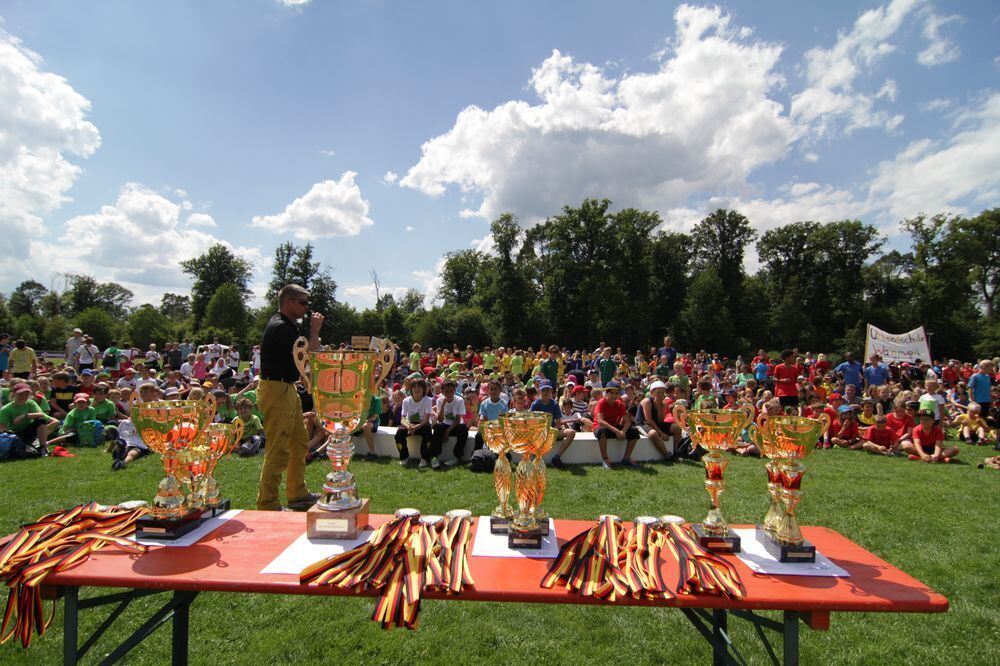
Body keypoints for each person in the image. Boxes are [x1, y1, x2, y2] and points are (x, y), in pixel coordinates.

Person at [255, 283, 323, 511]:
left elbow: (298, 363)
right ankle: (268, 503)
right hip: (276, 390)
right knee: (278, 449)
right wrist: (315, 331)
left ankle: (297, 492)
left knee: (299, 441)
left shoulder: (287, 326)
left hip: (286, 389)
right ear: (288, 302)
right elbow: (309, 357)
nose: (306, 308)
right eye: (302, 302)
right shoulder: (281, 328)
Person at [593, 381, 641, 469]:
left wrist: (623, 432)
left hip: (614, 428)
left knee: (634, 431)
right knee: (601, 431)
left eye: (616, 393)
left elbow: (628, 421)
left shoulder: (619, 404)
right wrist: (617, 431)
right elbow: (600, 421)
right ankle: (605, 459)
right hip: (602, 427)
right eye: (611, 393)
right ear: (606, 393)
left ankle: (626, 458)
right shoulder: (601, 402)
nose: (614, 396)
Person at [0, 383, 58, 454]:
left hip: (29, 432)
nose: (24, 396)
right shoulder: (5, 409)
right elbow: (3, 428)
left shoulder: (30, 403)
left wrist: (23, 416)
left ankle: (43, 448)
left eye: (26, 394)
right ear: (14, 393)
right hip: (14, 435)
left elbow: (41, 414)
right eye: (21, 394)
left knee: (41, 420)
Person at [531, 381, 576, 465]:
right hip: (538, 432)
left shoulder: (554, 404)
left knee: (571, 432)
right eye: (544, 390)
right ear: (539, 391)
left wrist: (552, 432)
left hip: (552, 431)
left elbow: (558, 421)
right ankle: (535, 456)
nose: (546, 392)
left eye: (548, 390)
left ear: (551, 391)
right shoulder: (535, 404)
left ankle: (556, 458)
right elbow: (530, 421)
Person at [635, 380, 679, 461]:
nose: (661, 395)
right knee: (653, 434)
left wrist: (660, 406)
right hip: (642, 424)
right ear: (652, 393)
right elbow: (648, 420)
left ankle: (675, 450)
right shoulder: (647, 401)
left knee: (676, 428)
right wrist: (661, 433)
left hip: (654, 423)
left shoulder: (662, 403)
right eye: (658, 392)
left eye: (662, 392)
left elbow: (660, 420)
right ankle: (667, 455)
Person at [395, 378, 434, 467]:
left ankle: (424, 458)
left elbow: (426, 420)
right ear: (411, 389)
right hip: (410, 423)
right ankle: (404, 456)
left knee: (427, 432)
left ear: (423, 389)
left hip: (423, 424)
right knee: (399, 433)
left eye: (419, 387)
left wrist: (416, 427)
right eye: (414, 387)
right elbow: (403, 419)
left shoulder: (428, 400)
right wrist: (409, 426)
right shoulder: (406, 401)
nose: (416, 389)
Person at [432, 379, 468, 466]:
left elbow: (457, 420)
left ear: (455, 391)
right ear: (442, 392)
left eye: (451, 391)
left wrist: (447, 432)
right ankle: (435, 456)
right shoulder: (440, 400)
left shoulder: (459, 400)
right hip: (444, 424)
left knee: (463, 429)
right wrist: (443, 405)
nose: (449, 394)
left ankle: (457, 456)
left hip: (456, 425)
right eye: (446, 391)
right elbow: (440, 419)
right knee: (437, 426)